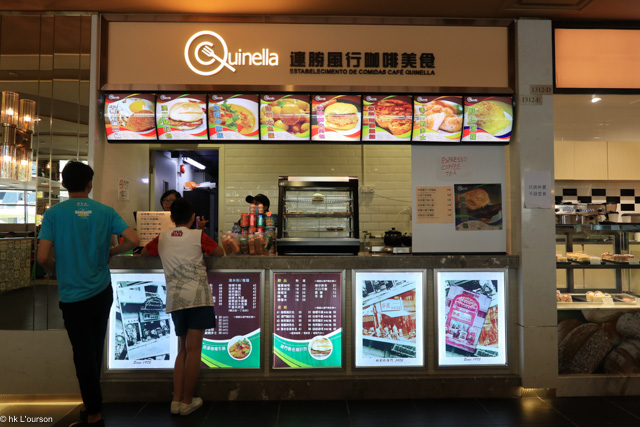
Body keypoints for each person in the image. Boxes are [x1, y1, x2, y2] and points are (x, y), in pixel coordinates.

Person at [36, 161, 139, 427]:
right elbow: (133, 240)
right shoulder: (105, 211)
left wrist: (57, 270)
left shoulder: (54, 213)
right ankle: (92, 405)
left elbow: (42, 257)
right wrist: (112, 252)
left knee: (82, 354)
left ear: (63, 184)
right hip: (101, 292)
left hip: (72, 296)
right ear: (90, 184)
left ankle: (94, 414)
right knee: (94, 350)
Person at [141, 198, 224, 416]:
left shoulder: (162, 237)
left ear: (171, 217)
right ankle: (187, 402)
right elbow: (219, 252)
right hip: (198, 298)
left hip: (176, 299)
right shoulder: (198, 236)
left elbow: (144, 253)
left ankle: (176, 400)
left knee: (182, 350)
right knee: (194, 350)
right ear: (192, 217)